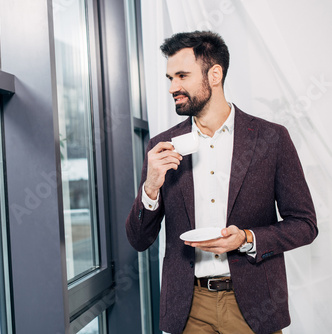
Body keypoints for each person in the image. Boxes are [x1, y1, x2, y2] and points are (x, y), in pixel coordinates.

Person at [125, 31, 318, 334]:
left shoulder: (271, 138)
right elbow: (138, 240)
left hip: (254, 307)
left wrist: (246, 238)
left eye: (182, 75)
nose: (173, 87)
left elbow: (305, 224)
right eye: (169, 78)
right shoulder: (162, 146)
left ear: (214, 74)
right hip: (189, 309)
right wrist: (150, 188)